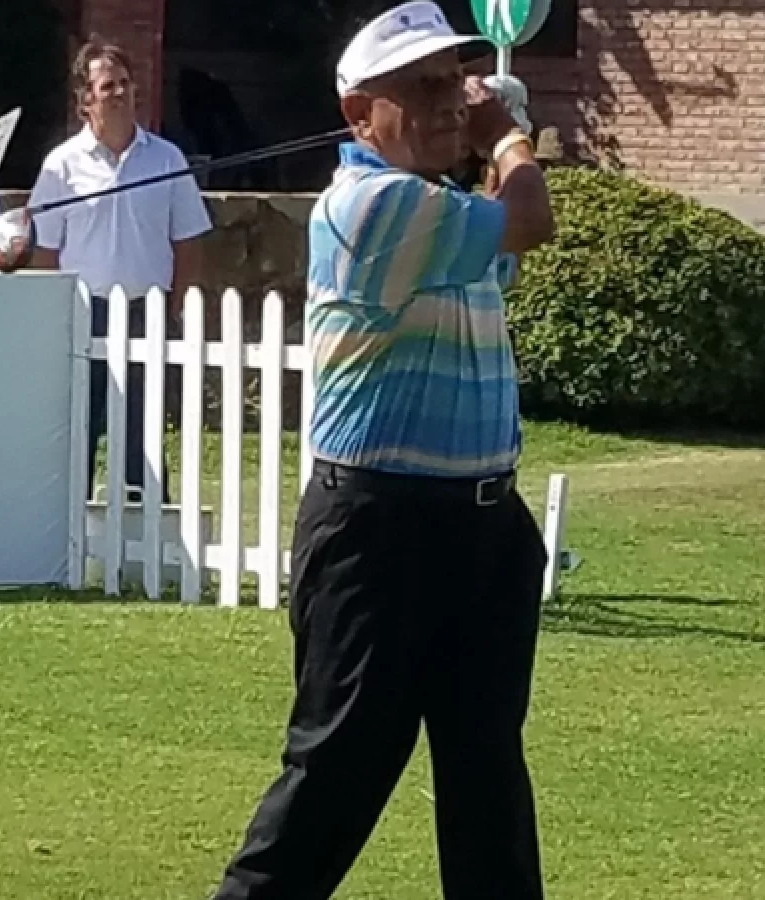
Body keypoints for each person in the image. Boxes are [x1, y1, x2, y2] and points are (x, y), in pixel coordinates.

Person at [207, 3, 556, 899]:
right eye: (421, 88)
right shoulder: (371, 204)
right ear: (360, 114)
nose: (447, 102)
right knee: (335, 775)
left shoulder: (435, 206)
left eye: (453, 84)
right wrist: (505, 134)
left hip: (482, 526)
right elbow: (529, 219)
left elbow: (498, 241)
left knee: (486, 778)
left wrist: (484, 147)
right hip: (379, 532)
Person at [26, 38, 212, 503]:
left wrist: (175, 309)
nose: (121, 93)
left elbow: (188, 241)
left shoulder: (166, 159)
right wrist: (56, 316)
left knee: (143, 431)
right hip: (84, 313)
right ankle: (72, 528)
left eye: (125, 83)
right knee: (79, 429)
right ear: (84, 99)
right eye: (108, 86)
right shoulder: (61, 166)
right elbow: (45, 250)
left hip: (146, 311)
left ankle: (146, 526)